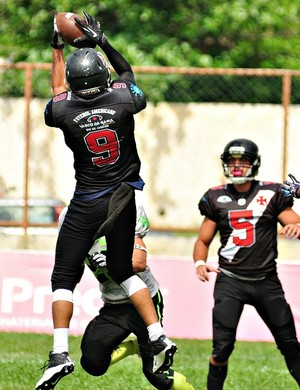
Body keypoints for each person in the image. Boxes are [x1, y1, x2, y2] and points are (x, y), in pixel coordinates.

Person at [36, 11, 176, 390]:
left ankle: (59, 353)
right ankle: (158, 333)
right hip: (125, 195)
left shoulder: (63, 111)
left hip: (88, 200)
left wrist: (56, 47)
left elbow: (56, 93)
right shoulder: (124, 99)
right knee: (123, 268)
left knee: (63, 276)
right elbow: (128, 75)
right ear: (102, 77)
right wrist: (102, 42)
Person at [192, 138, 300, 390]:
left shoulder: (271, 193)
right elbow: (203, 239)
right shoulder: (215, 196)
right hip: (230, 280)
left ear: (254, 164)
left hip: (266, 281)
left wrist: (296, 226)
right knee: (221, 348)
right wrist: (199, 261)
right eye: (232, 161)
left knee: (289, 344)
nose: (237, 166)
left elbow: (295, 222)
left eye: (243, 161)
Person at [79, 195, 194, 390]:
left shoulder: (125, 209)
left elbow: (139, 263)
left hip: (144, 301)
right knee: (92, 361)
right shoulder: (73, 217)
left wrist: (111, 264)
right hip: (113, 305)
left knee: (157, 375)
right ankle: (134, 345)